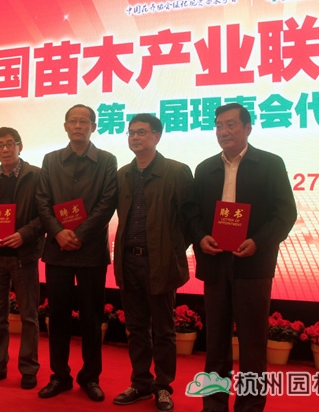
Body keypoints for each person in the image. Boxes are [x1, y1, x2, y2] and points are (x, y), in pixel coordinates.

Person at [185, 103, 297, 412]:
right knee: (216, 342)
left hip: (253, 264)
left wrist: (258, 242)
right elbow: (191, 213)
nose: (224, 131)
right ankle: (214, 405)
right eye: (219, 126)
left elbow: (285, 213)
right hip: (216, 263)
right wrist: (201, 237)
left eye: (231, 125)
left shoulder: (270, 164)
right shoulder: (205, 168)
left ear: (248, 128)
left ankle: (251, 406)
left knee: (252, 344)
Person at [36, 104, 117, 402]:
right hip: (57, 250)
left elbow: (107, 203)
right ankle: (59, 376)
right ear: (65, 126)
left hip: (91, 250)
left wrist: (79, 234)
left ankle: (90, 377)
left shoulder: (107, 160)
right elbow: (42, 201)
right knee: (57, 316)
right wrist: (59, 232)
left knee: (92, 318)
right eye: (73, 121)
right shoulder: (51, 160)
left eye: (84, 122)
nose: (78, 126)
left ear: (94, 127)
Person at [112, 114, 193, 411]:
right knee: (135, 328)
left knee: (163, 330)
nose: (135, 137)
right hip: (128, 261)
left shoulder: (176, 171)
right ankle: (140, 383)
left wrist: (171, 250)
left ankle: (163, 387)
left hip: (160, 263)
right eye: (131, 132)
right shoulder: (123, 174)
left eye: (142, 132)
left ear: (157, 136)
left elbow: (189, 220)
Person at [0, 127, 44, 389]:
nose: (5, 149)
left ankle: (28, 368)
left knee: (28, 316)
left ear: (20, 146)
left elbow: (44, 214)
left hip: (23, 256)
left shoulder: (36, 175)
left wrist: (23, 235)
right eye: (0, 145)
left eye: (10, 144)